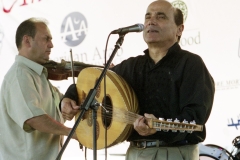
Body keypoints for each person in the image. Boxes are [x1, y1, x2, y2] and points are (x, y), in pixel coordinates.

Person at [62, 0, 215, 160]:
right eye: (148, 17)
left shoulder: (191, 64)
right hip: (136, 153)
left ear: (179, 29)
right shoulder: (132, 66)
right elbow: (95, 84)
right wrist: (69, 97)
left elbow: (196, 117)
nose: (151, 21)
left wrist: (158, 128)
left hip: (174, 152)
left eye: (161, 17)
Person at [0, 17, 80, 160]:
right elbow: (33, 118)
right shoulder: (20, 75)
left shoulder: (37, 75)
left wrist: (67, 102)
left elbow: (58, 108)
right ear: (27, 41)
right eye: (46, 39)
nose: (51, 45)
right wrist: (72, 132)